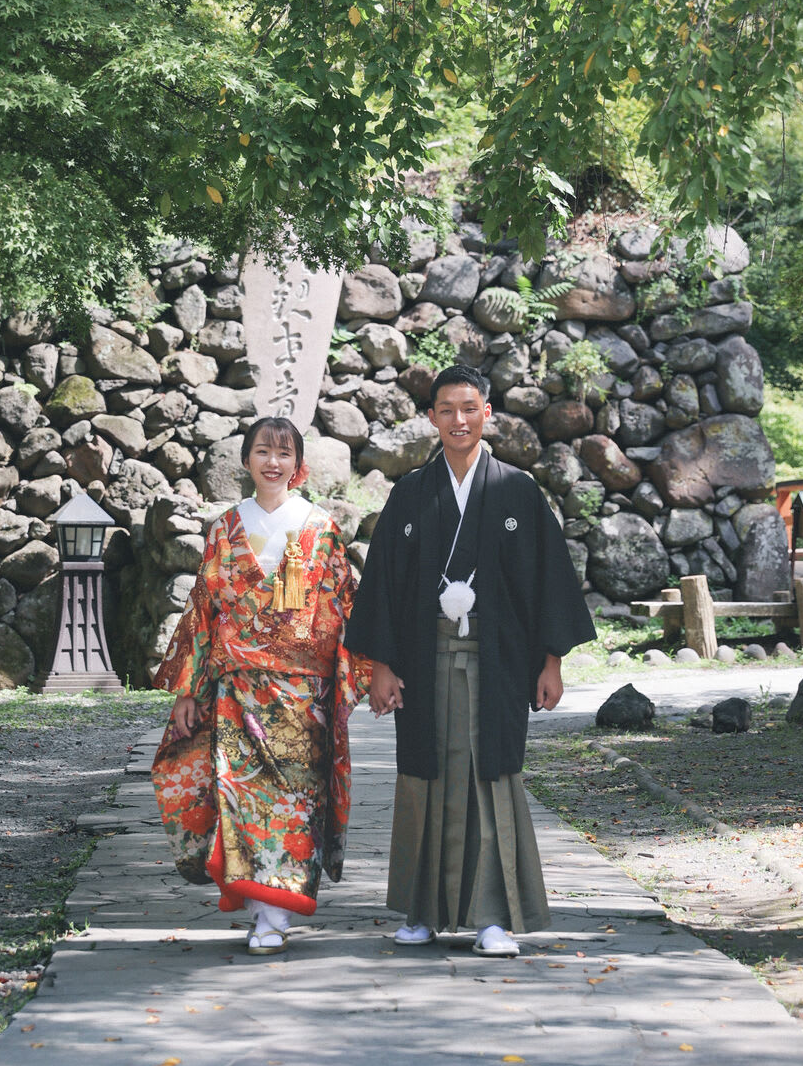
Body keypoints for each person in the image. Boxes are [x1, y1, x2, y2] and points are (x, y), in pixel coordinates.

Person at [346, 362, 595, 956]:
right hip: (423, 656)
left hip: (498, 657)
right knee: (425, 776)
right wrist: (381, 667)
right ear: (432, 418)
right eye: (446, 410)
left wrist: (551, 662)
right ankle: (422, 911)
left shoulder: (517, 491)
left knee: (490, 776)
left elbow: (547, 582)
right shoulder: (411, 493)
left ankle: (492, 918)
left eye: (468, 408)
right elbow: (383, 584)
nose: (458, 420)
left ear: (487, 413)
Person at [151, 416, 371, 954]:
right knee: (241, 795)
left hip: (304, 694)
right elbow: (202, 612)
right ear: (246, 460)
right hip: (237, 688)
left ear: (298, 464)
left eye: (284, 453)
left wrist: (369, 671)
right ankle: (263, 914)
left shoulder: (320, 526)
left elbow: (344, 605)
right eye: (263, 452)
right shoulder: (225, 527)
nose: (273, 462)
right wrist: (189, 691)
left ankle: (276, 911)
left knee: (297, 799)